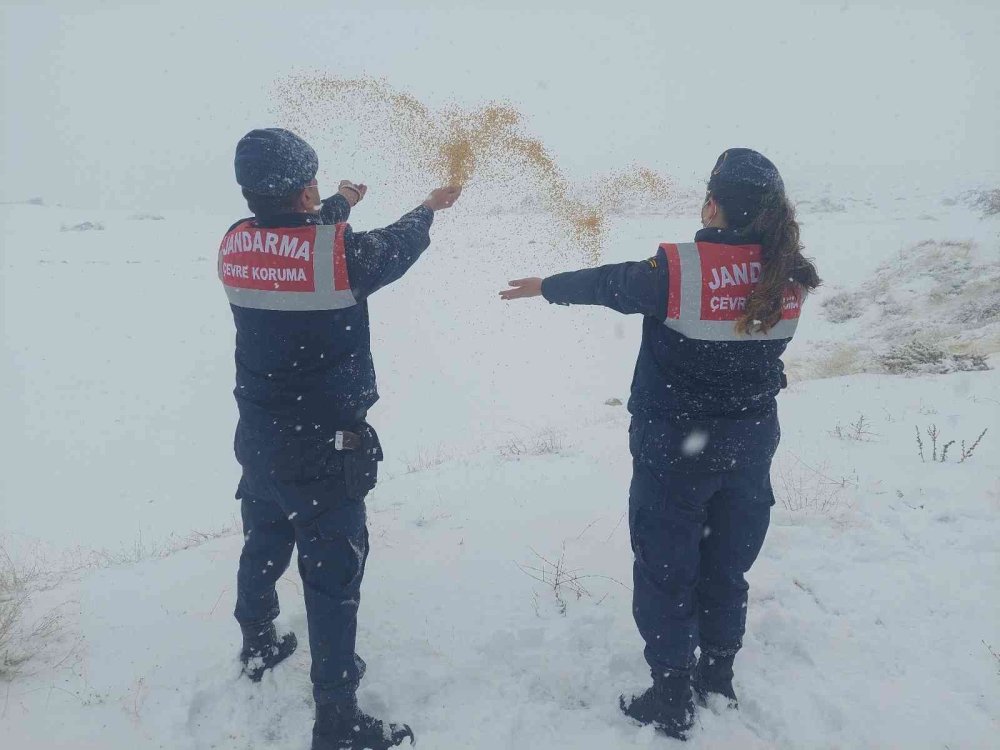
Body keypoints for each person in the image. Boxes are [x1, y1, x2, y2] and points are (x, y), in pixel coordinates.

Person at [500, 149, 820, 739]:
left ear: (715, 204)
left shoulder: (680, 269)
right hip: (749, 443)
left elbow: (609, 283)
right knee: (727, 565)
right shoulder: (792, 273)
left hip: (676, 447)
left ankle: (671, 694)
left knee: (667, 568)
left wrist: (547, 286)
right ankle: (718, 674)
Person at [219, 128, 460, 750]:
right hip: (324, 446)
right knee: (331, 580)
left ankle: (258, 642)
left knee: (264, 539)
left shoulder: (235, 242)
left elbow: (298, 237)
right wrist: (429, 207)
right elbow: (397, 245)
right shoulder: (344, 258)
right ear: (305, 189)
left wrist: (341, 205)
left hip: (260, 433)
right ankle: (336, 719)